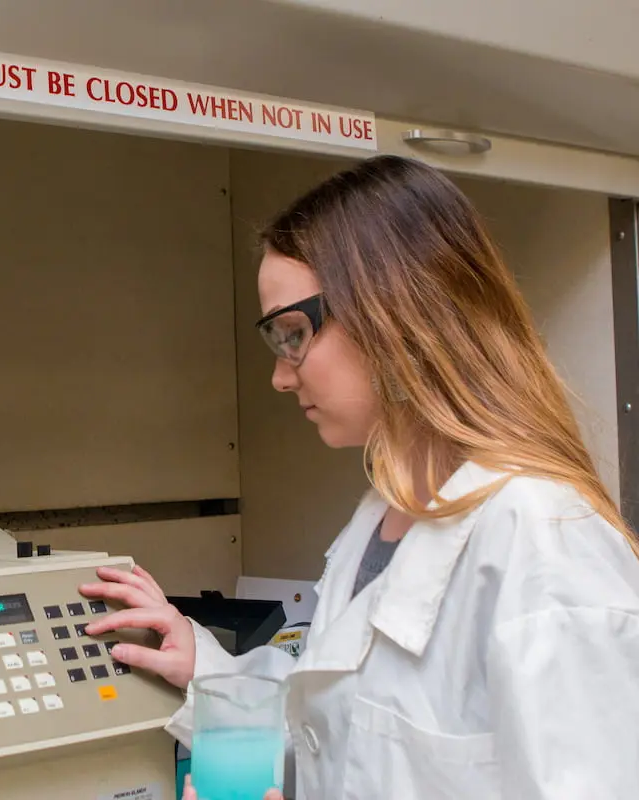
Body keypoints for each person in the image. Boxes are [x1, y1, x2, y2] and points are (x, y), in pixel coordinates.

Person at [80, 154, 639, 800]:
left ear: (394, 312)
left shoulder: (545, 543)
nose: (282, 375)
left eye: (294, 334)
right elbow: (342, 728)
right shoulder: (379, 517)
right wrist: (207, 669)